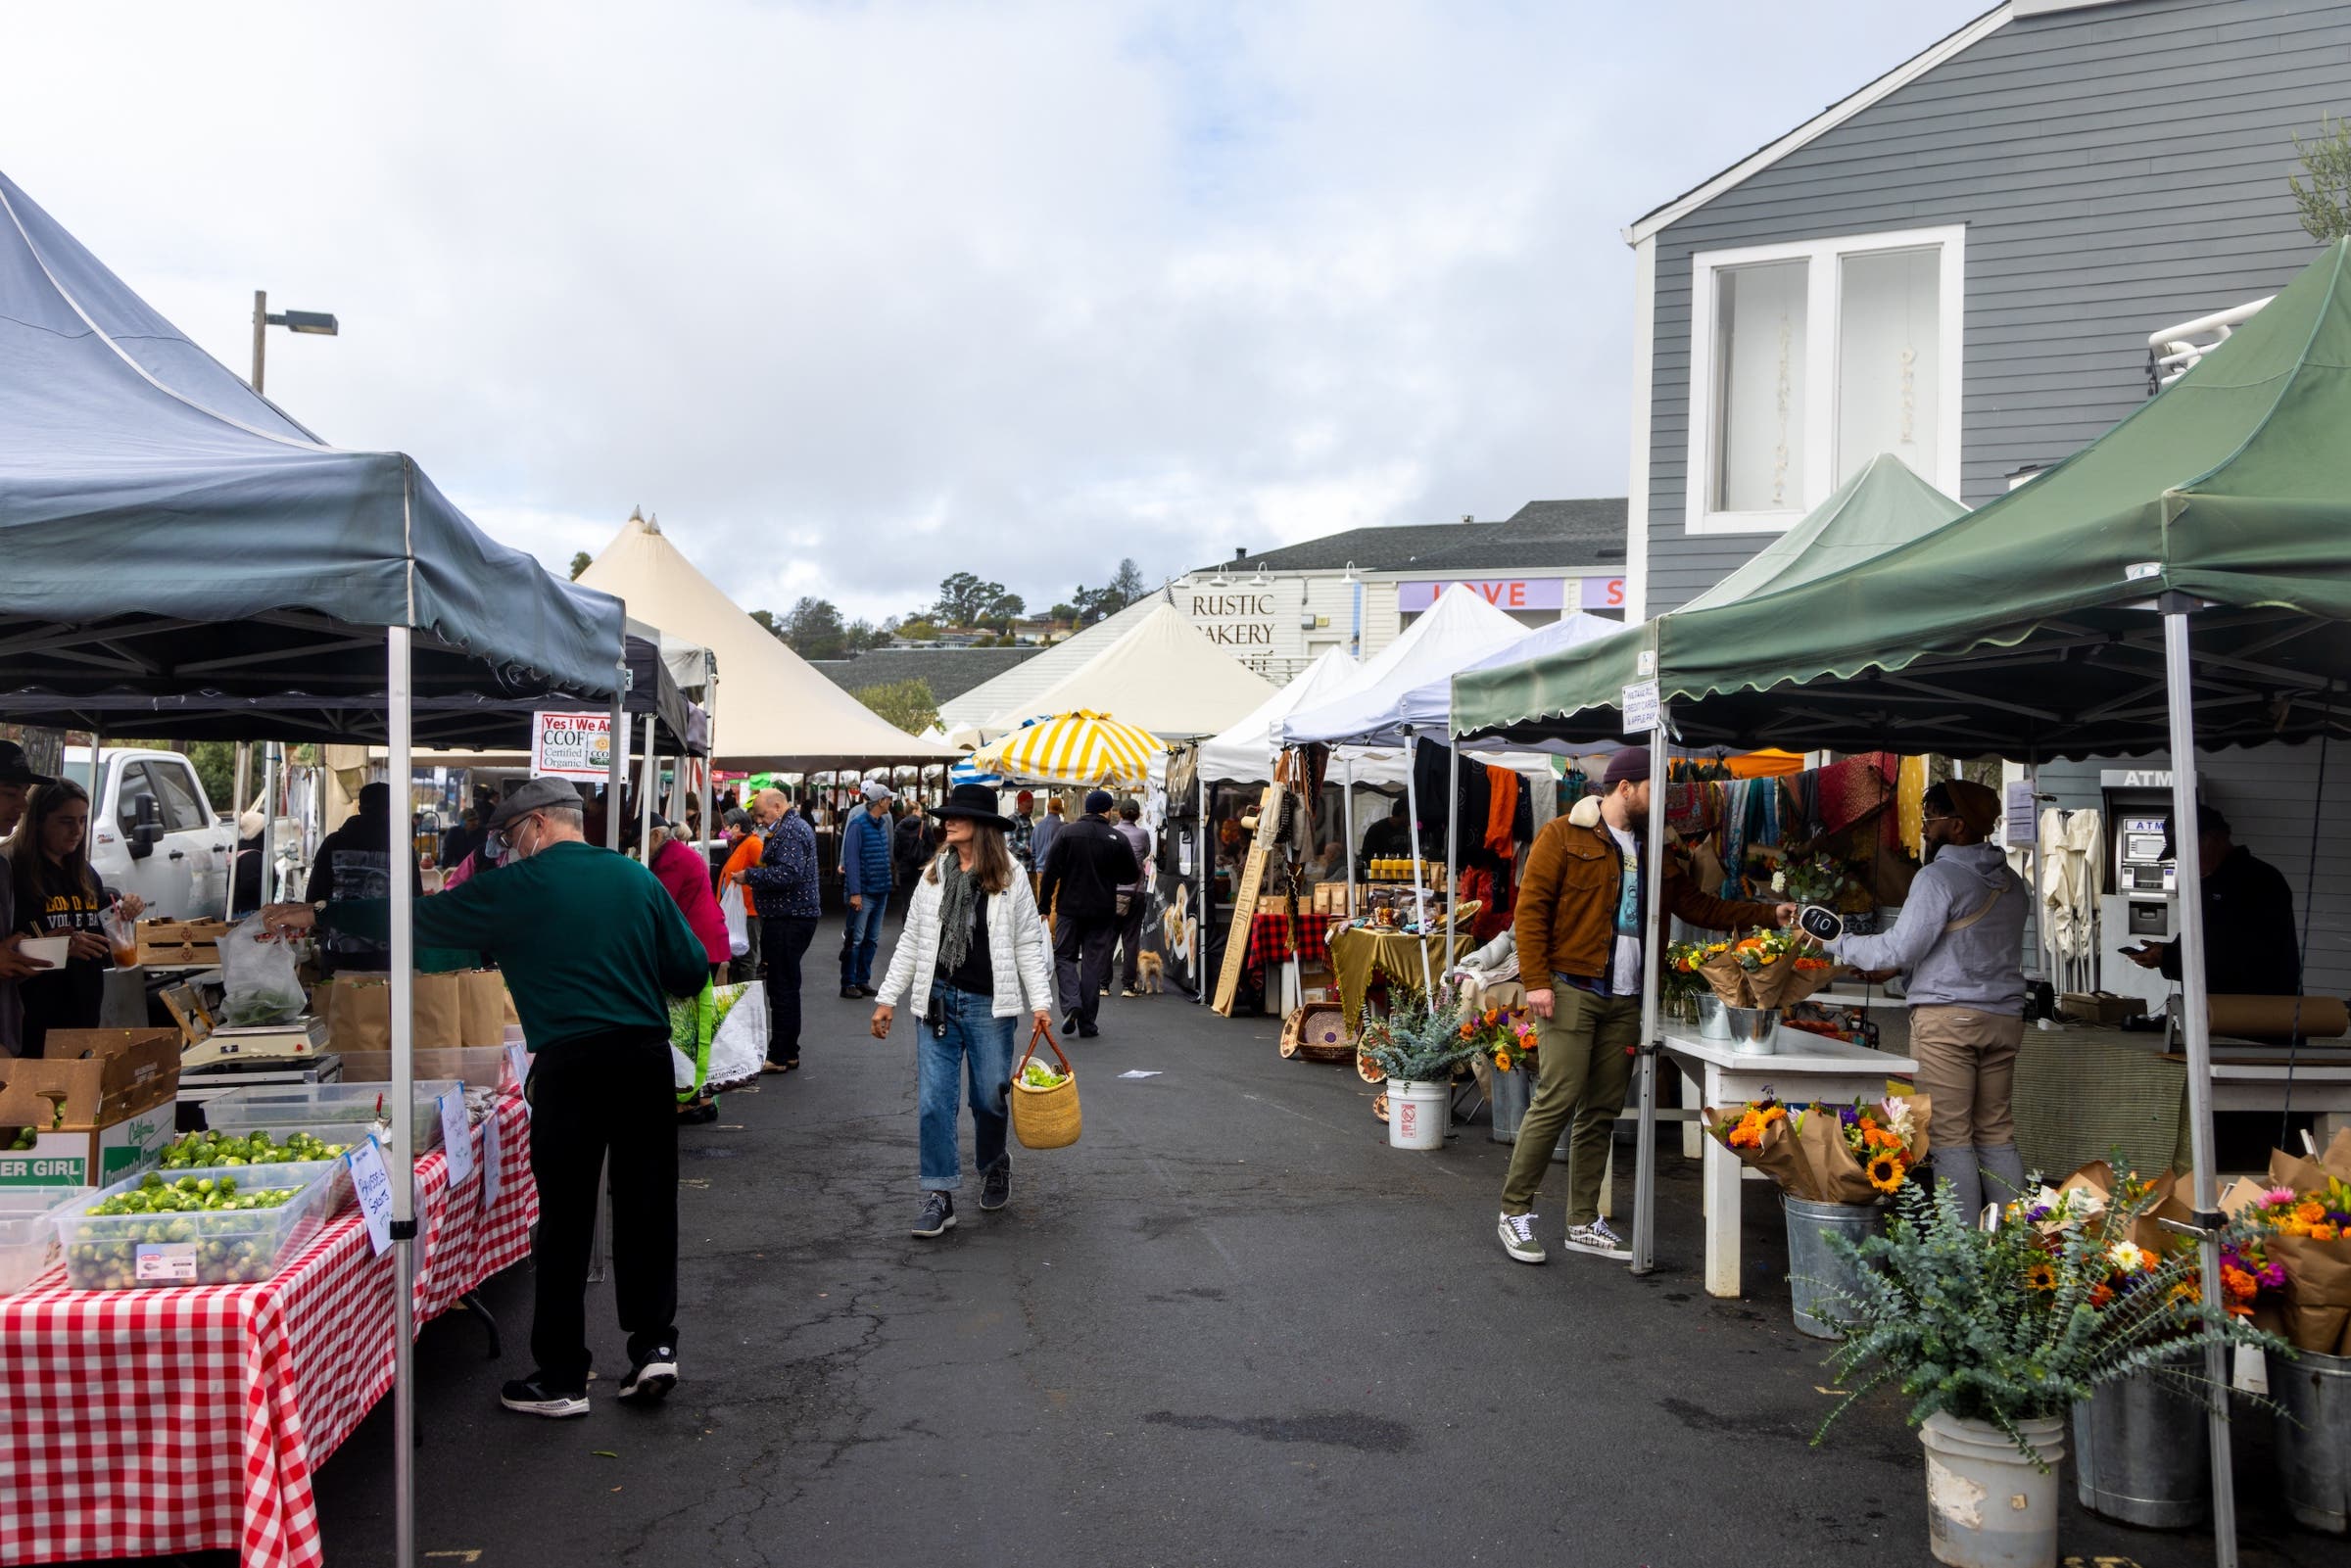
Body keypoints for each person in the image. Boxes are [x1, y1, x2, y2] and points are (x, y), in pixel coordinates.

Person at [263, 778, 707, 1418]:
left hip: (569, 1062)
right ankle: (654, 1345)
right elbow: (691, 969)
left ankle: (562, 1376)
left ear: (538, 826)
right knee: (646, 1202)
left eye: (508, 836)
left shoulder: (513, 888)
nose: (504, 848)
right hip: (642, 1057)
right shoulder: (636, 878)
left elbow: (419, 918)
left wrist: (323, 913)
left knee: (565, 1216)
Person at [1498, 748, 1793, 1265]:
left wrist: (1770, 914)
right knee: (1558, 1098)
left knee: (1603, 1110)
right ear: (1625, 788)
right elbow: (1531, 911)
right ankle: (1514, 1211)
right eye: (1656, 790)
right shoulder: (1563, 835)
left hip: (1629, 995)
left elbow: (1698, 906)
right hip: (1571, 988)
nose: (1666, 803)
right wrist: (1538, 982)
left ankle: (1582, 1220)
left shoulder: (1656, 850)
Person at [1819, 779, 2029, 1221]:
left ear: (1957, 825)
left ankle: (1962, 1251)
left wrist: (1837, 941)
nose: (1925, 829)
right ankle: (2017, 1245)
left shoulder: (1938, 877)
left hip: (1949, 1021)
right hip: (2005, 1019)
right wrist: (1905, 966)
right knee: (1996, 1133)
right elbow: (1967, 947)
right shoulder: (2012, 882)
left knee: (1950, 1137)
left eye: (1930, 819)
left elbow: (1896, 948)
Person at [868, 784, 1053, 1238]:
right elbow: (912, 940)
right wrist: (887, 997)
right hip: (937, 1003)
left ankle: (993, 1164)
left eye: (958, 817)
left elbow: (1029, 943)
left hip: (990, 1006)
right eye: (946, 815)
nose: (947, 822)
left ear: (984, 827)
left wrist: (1042, 1003)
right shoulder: (933, 876)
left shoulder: (1010, 877)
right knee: (934, 1102)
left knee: (989, 1098)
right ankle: (939, 1195)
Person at [3, 780, 146, 1057]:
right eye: (66, 821)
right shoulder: (12, 871)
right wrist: (60, 949)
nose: (77, 831)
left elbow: (101, 923)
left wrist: (126, 909)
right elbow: (9, 954)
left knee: (75, 1098)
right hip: (32, 1023)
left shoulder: (83, 872)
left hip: (82, 1018)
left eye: (82, 820)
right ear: (38, 821)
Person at [2126, 802, 2301, 998]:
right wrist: (2168, 952)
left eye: (2185, 851)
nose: (2182, 861)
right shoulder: (2210, 882)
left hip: (2257, 1012)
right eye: (2178, 856)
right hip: (2217, 1011)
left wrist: (2167, 957)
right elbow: (2202, 938)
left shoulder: (2258, 881)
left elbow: (2236, 953)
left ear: (2212, 839)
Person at [1038, 789, 1141, 1038]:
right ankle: (1087, 1022)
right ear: (1108, 811)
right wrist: (1109, 875)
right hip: (1102, 909)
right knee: (1093, 962)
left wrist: (1043, 906)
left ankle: (1072, 1003)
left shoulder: (1067, 833)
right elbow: (1131, 874)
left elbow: (1051, 870)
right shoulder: (1116, 838)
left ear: (1086, 808)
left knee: (1065, 957)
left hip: (1069, 908)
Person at [306, 782, 423, 976]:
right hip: (391, 956)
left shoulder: (333, 843)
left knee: (339, 1006)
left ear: (360, 809)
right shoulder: (402, 847)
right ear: (391, 809)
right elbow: (416, 900)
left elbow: (314, 899)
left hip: (339, 955)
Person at [741, 787, 819, 1072]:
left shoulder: (790, 831)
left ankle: (780, 1055)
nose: (759, 820)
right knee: (786, 985)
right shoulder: (792, 828)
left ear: (777, 806)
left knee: (782, 987)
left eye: (761, 814)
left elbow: (787, 873)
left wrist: (749, 875)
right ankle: (788, 1051)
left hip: (788, 918)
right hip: (791, 916)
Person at [0, 740, 59, 1038]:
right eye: (11, 794)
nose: (22, 806)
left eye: (24, 794)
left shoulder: (2, 867)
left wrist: (32, 950)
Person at [640, 815, 729, 976]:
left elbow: (661, 903)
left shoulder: (671, 859)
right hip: (704, 939)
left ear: (656, 836)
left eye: (639, 844)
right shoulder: (675, 852)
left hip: (699, 941)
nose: (640, 851)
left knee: (695, 1000)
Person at [839, 781, 896, 1000]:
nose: (891, 801)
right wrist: (855, 892)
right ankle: (849, 982)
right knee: (856, 938)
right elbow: (852, 860)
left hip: (880, 889)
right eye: (888, 798)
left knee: (871, 939)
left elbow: (885, 853)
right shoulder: (858, 824)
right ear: (880, 801)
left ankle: (863, 979)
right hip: (864, 891)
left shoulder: (882, 822)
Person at [716, 809, 765, 986]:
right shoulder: (739, 844)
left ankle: (745, 997)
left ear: (737, 827)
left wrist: (747, 876)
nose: (724, 831)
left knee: (745, 957)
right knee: (736, 956)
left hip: (748, 911)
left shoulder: (753, 844)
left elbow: (766, 870)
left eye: (726, 827)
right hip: (737, 911)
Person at [1111, 797, 1152, 997]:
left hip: (1114, 891)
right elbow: (1147, 853)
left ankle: (1102, 984)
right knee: (1131, 939)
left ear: (1119, 814)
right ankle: (1128, 985)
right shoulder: (1143, 834)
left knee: (1109, 938)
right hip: (1136, 891)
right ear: (1138, 815)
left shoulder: (1113, 832)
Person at [1359, 799, 1412, 872]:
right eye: (1411, 814)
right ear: (1403, 814)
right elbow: (1366, 855)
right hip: (1381, 874)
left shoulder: (1404, 829)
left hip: (1401, 873)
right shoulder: (1377, 829)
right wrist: (1386, 857)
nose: (1412, 819)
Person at [892, 799, 935, 887]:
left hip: (904, 868)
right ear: (914, 811)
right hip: (921, 867)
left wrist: (900, 862)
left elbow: (896, 850)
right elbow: (932, 846)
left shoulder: (899, 826)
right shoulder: (924, 825)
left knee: (906, 897)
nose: (922, 813)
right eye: (920, 811)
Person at [1032, 795, 1066, 877]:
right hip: (1057, 873)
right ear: (1060, 810)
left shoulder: (1037, 826)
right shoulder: (1063, 828)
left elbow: (1033, 852)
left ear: (1048, 808)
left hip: (1040, 872)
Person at [1009, 791, 1037, 873]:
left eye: (1032, 801)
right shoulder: (1012, 820)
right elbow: (1009, 844)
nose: (1031, 804)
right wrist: (1027, 849)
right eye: (1028, 802)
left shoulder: (1028, 819)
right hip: (1018, 870)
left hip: (1030, 868)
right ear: (1020, 803)